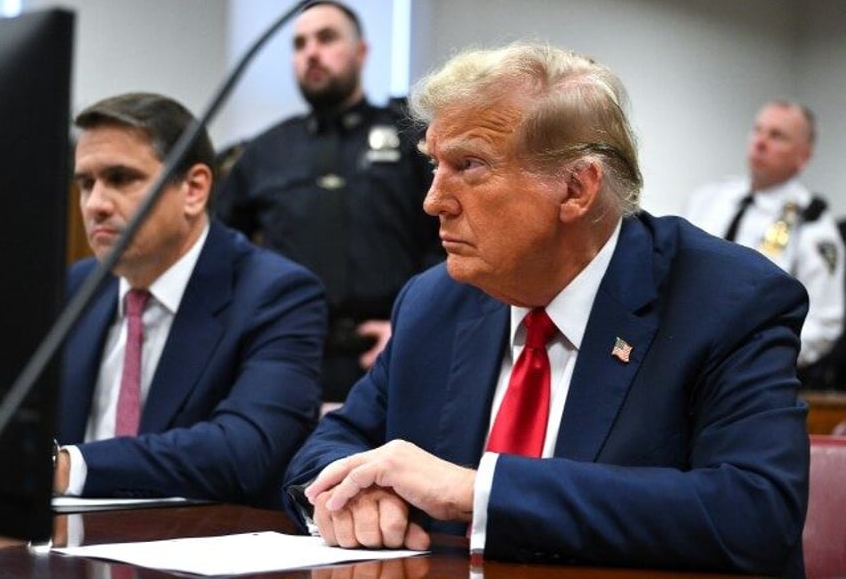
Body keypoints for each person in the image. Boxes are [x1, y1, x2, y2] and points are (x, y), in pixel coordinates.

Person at [283, 43, 810, 576]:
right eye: (434, 165)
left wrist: (476, 491)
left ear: (576, 188)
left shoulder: (727, 300)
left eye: (469, 165)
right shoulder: (435, 301)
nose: (434, 200)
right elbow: (331, 444)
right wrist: (349, 495)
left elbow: (754, 511)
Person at [55, 92, 327, 508]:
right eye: (86, 183)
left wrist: (70, 466)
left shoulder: (276, 293)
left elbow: (246, 450)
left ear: (194, 189)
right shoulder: (76, 288)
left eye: (121, 179)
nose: (95, 205)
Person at [215, 0, 443, 403]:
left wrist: (411, 326)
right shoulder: (265, 150)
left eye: (326, 38)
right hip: (286, 356)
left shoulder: (411, 138)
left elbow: (447, 240)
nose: (311, 52)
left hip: (391, 352)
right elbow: (220, 249)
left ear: (361, 51)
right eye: (299, 44)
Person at [686, 100, 844, 370]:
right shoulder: (708, 200)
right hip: (686, 357)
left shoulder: (813, 227)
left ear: (803, 156)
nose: (760, 142)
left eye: (777, 136)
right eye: (758, 130)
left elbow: (825, 324)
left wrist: (764, 355)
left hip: (752, 374)